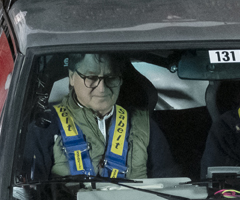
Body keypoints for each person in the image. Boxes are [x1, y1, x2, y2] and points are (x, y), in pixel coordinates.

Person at [39, 53, 179, 181]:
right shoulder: (46, 123)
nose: (102, 88)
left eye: (111, 78)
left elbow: (170, 185)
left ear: (121, 80)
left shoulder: (145, 125)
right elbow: (30, 196)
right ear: (71, 77)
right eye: (92, 78)